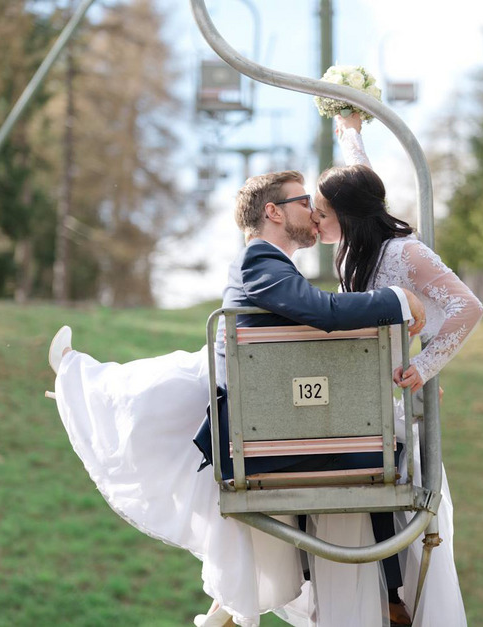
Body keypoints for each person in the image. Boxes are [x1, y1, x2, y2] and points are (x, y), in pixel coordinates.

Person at [47, 169, 426, 627]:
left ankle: (375, 597)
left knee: (390, 439)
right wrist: (397, 300)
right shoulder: (258, 262)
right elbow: (321, 313)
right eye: (304, 201)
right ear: (273, 211)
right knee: (398, 448)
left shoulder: (276, 269)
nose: (313, 210)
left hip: (287, 427)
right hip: (276, 435)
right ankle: (388, 594)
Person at [299, 113, 483, 626]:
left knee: (384, 487)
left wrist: (425, 366)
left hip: (391, 394)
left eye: (321, 211)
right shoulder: (352, 245)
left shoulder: (404, 253)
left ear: (347, 214)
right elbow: (361, 174)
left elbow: (469, 307)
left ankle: (393, 597)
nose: (314, 220)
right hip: (361, 392)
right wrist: (350, 131)